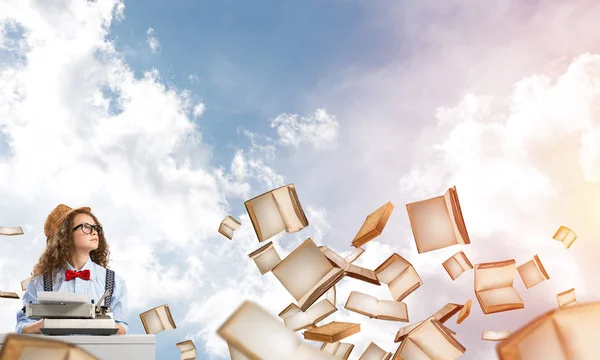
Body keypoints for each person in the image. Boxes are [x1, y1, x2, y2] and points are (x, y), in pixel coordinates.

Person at [16, 204, 129, 334]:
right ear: (65, 235)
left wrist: (101, 323)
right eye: (85, 227)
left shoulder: (114, 281)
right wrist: (47, 323)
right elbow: (21, 327)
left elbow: (123, 328)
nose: (94, 232)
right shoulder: (40, 282)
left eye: (95, 227)